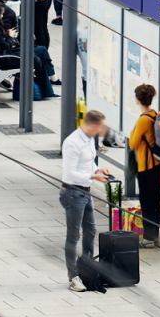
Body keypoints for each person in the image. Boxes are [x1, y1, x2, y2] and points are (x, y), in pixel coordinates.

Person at [61, 111, 112, 292]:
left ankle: (87, 269)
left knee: (90, 231)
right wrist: (93, 176)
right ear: (92, 125)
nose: (102, 130)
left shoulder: (90, 139)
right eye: (100, 127)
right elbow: (69, 173)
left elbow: (89, 162)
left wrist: (99, 170)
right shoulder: (72, 143)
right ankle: (73, 277)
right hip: (73, 193)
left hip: (85, 192)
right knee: (73, 236)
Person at [0, 1, 55, 99]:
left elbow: (0, 43)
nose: (2, 16)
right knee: (35, 59)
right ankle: (46, 90)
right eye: (1, 13)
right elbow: (5, 46)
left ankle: (48, 88)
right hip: (2, 58)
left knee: (40, 51)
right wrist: (10, 37)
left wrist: (6, 35)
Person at [127, 85, 160, 248]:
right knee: (155, 200)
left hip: (145, 167)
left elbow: (133, 142)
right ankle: (154, 234)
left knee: (147, 201)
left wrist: (133, 131)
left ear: (137, 99)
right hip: (156, 165)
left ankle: (149, 238)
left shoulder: (143, 120)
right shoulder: (154, 114)